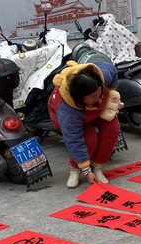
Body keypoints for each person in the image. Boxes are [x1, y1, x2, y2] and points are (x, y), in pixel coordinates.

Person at [49, 60, 122, 188]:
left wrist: (111, 93)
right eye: (93, 96)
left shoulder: (103, 75)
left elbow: (113, 70)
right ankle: (76, 169)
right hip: (77, 113)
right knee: (89, 139)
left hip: (95, 109)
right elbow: (74, 140)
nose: (98, 97)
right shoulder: (67, 111)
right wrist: (86, 170)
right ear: (79, 97)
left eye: (100, 92)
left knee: (112, 129)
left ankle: (97, 166)